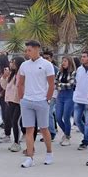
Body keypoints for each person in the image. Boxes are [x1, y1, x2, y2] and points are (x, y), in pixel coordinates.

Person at [18, 40, 55, 168]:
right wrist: (22, 98)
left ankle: (49, 153)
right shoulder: (24, 65)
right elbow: (20, 83)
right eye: (26, 50)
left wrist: (47, 99)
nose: (27, 52)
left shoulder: (47, 65)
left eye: (29, 50)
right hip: (27, 101)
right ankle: (30, 157)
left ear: (37, 49)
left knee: (44, 129)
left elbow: (51, 84)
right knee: (29, 129)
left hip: (41, 101)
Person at [1, 56, 26, 152]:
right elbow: (4, 86)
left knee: (15, 121)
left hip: (19, 102)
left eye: (13, 62)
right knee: (11, 121)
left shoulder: (21, 74)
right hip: (10, 101)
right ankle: (15, 141)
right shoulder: (12, 74)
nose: (11, 64)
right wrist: (4, 76)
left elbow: (21, 86)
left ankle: (17, 142)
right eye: (11, 62)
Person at [73, 51, 88, 150]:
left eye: (84, 57)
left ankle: (85, 141)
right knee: (77, 120)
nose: (82, 58)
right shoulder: (79, 69)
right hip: (78, 99)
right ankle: (87, 135)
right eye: (81, 57)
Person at [55, 56, 76, 146]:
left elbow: (71, 85)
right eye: (62, 61)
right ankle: (66, 133)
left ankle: (67, 136)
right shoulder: (59, 72)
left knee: (66, 117)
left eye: (65, 61)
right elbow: (55, 82)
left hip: (69, 96)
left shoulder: (73, 72)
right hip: (60, 96)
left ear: (70, 62)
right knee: (58, 117)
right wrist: (60, 85)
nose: (63, 63)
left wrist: (59, 85)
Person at [42, 50, 58, 141]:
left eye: (47, 58)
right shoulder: (41, 67)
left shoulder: (55, 69)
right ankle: (48, 132)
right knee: (46, 114)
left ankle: (51, 132)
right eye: (44, 58)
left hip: (52, 94)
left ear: (51, 59)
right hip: (43, 93)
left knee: (49, 113)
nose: (45, 60)